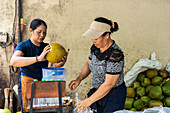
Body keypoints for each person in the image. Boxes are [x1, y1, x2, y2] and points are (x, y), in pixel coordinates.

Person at [69, 17, 127, 113]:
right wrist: (79, 79)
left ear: (107, 35)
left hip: (113, 97)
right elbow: (89, 63)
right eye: (92, 37)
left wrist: (89, 101)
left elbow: (109, 84)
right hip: (98, 93)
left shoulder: (115, 55)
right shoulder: (95, 48)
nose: (93, 41)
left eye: (96, 38)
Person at [10, 19, 68, 113]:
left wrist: (60, 64)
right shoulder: (24, 46)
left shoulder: (47, 47)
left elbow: (52, 67)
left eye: (44, 33)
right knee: (27, 110)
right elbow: (14, 61)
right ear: (31, 31)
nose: (42, 35)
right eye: (39, 32)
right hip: (27, 85)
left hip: (42, 85)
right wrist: (37, 58)